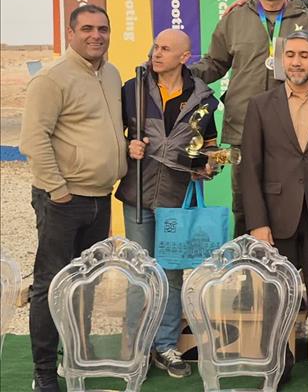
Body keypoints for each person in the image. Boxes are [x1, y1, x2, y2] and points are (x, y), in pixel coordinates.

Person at [20, 4, 127, 392]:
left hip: (100, 197)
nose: (96, 35)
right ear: (70, 33)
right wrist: (58, 189)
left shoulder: (111, 74)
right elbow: (33, 139)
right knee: (49, 285)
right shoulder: (52, 79)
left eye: (103, 28)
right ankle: (44, 372)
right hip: (63, 201)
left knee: (85, 284)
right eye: (87, 29)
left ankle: (75, 358)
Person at [190, 0, 308, 238]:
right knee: (244, 203)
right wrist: (180, 74)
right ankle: (246, 261)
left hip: (295, 129)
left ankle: (288, 261)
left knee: (291, 202)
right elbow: (215, 63)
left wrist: (307, 82)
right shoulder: (235, 18)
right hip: (243, 126)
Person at [240, 30, 308, 392]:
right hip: (275, 218)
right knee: (276, 296)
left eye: (304, 55)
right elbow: (250, 168)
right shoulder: (260, 105)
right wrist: (257, 223)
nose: (296, 62)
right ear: (280, 60)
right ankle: (278, 364)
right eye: (290, 55)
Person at [117, 28, 219, 379]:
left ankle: (166, 346)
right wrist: (128, 146)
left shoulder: (203, 99)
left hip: (177, 200)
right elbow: (114, 134)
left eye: (164, 49)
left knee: (172, 274)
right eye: (155, 47)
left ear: (184, 57)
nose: (156, 54)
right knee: (139, 273)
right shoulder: (132, 89)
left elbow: (209, 147)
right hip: (138, 196)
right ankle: (136, 349)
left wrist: (209, 166)